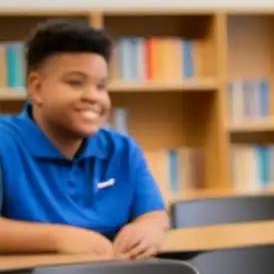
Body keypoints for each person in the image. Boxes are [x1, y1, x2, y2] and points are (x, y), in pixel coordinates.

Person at [0, 19, 168, 258]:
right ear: (37, 88)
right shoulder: (5, 141)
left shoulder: (122, 149)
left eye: (101, 86)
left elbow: (153, 212)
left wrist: (149, 228)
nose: (92, 96)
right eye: (76, 83)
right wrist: (59, 238)